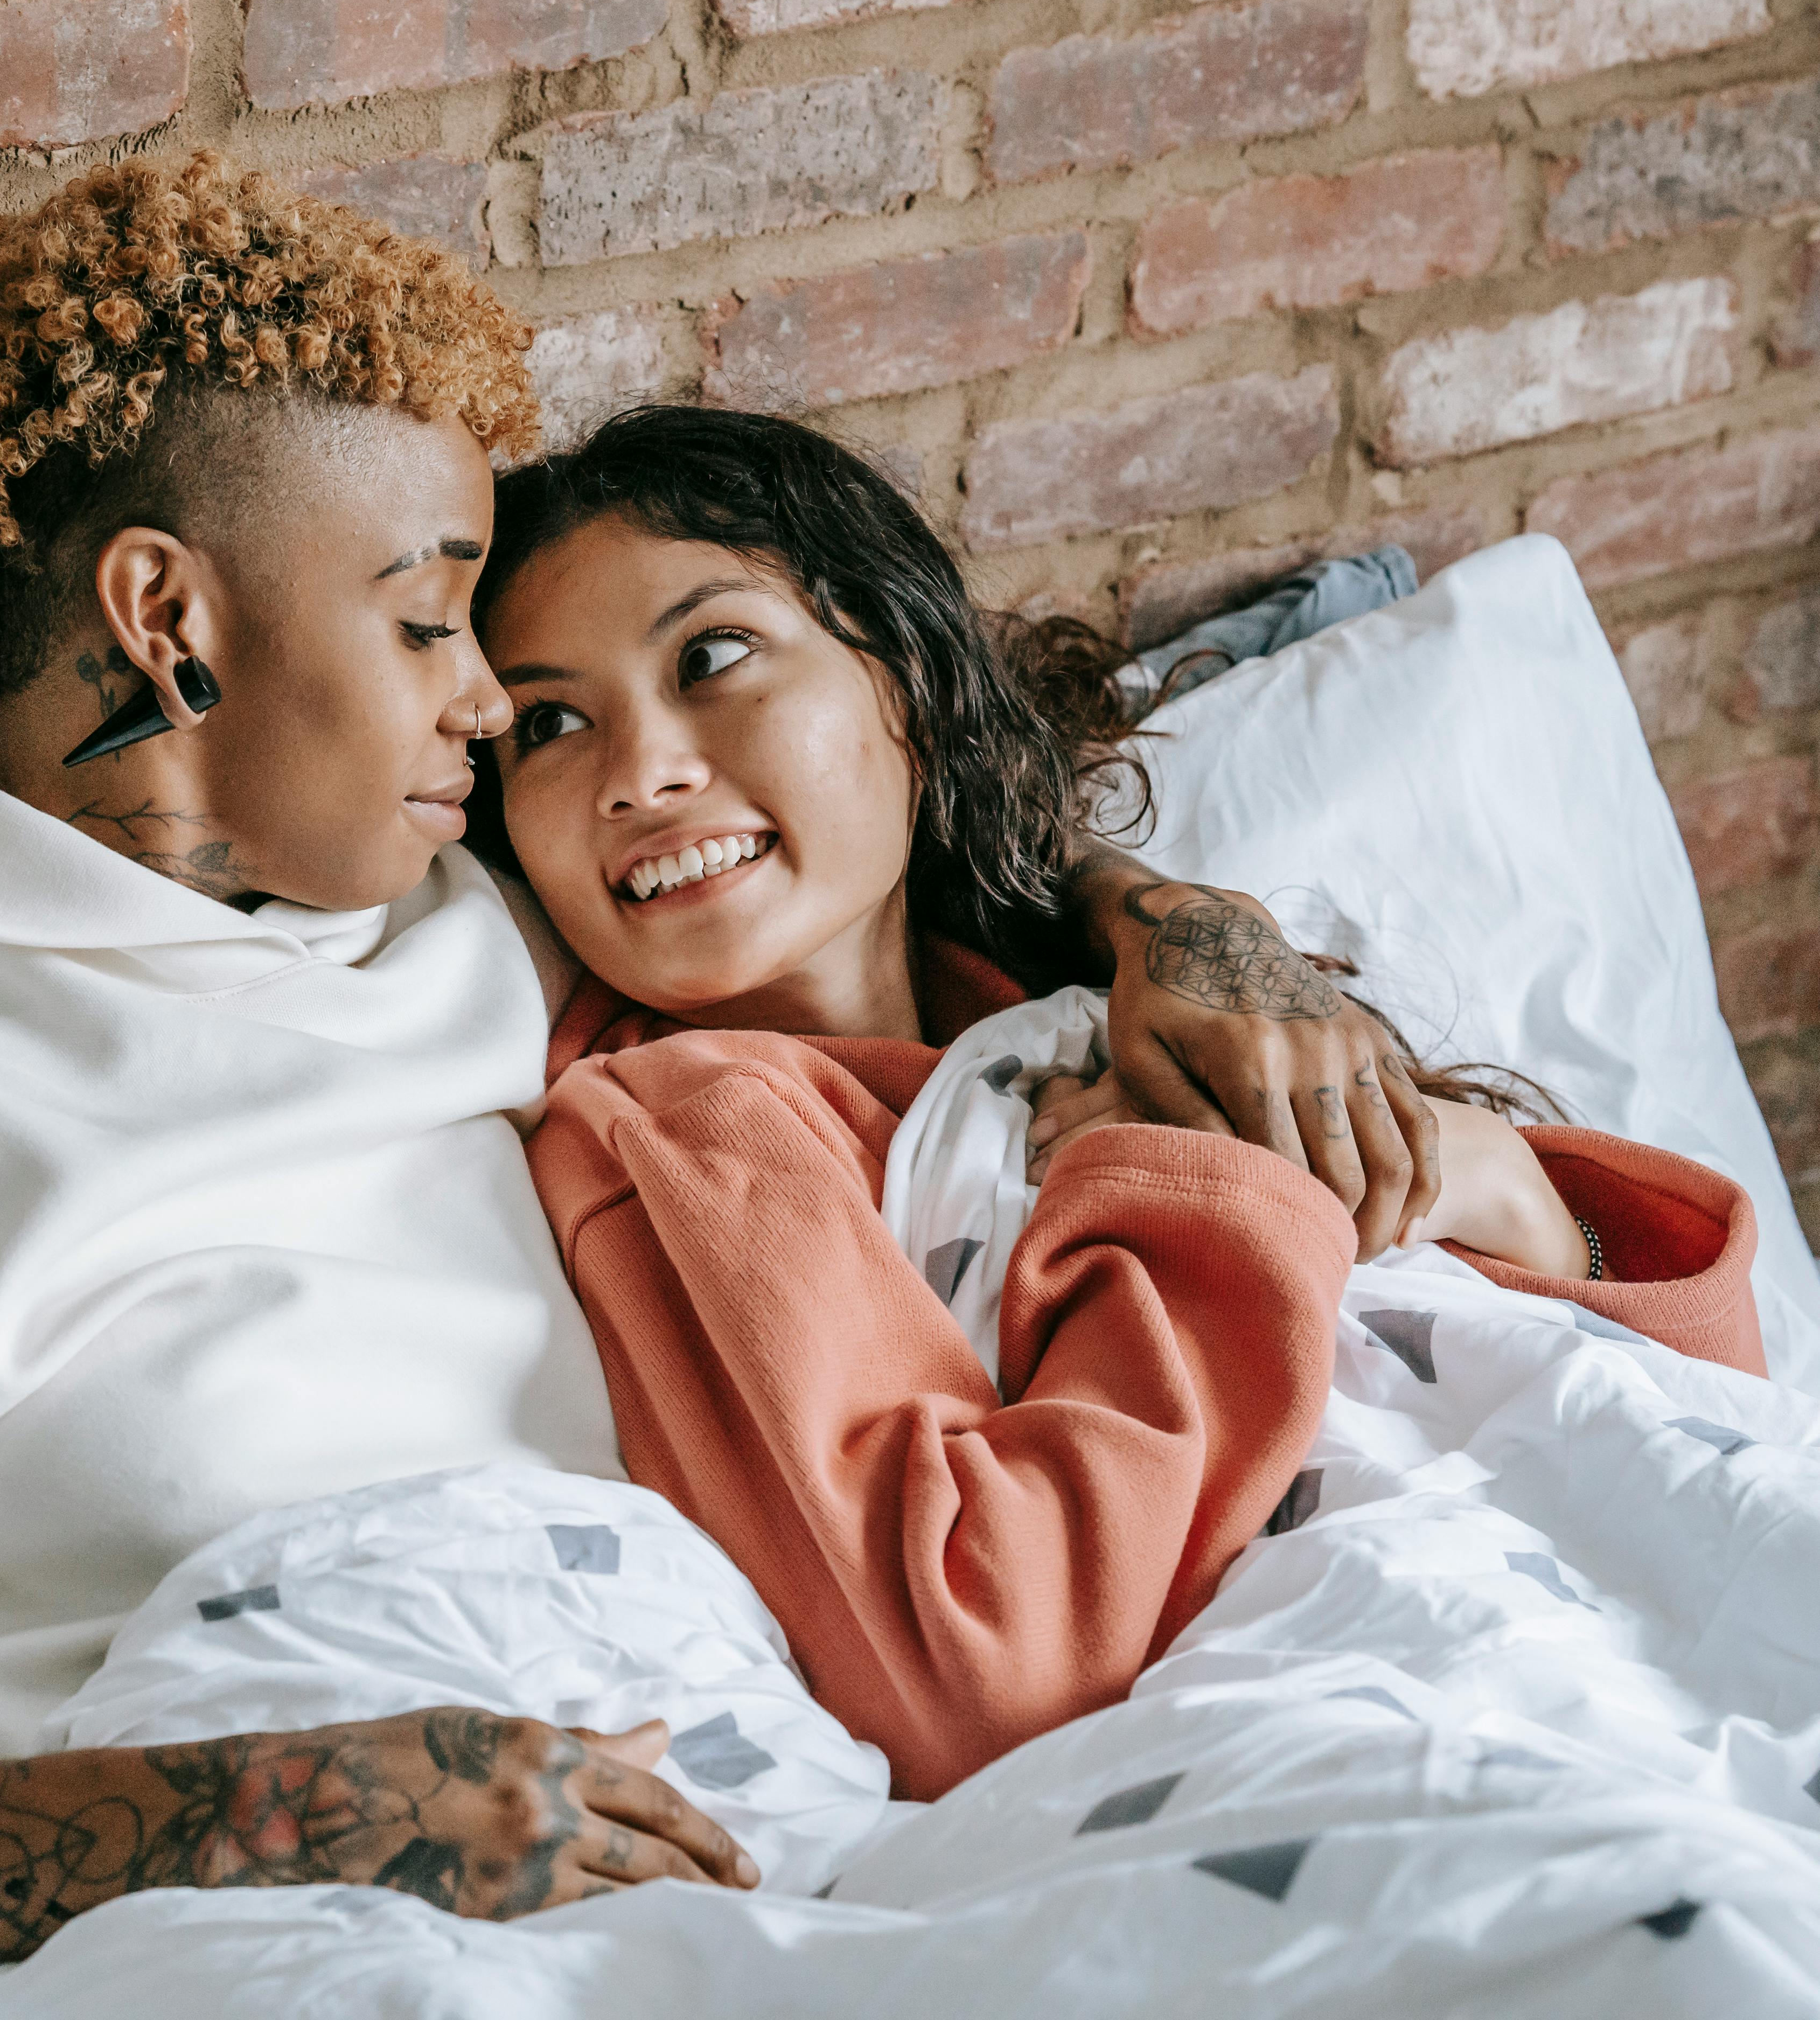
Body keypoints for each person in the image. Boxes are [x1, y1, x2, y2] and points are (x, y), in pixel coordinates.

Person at [0, 154, 1455, 2020]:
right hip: (256, 1887)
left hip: (776, 1822)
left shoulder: (478, 921)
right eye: (439, 622)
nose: (494, 708)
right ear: (164, 622)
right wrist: (264, 1813)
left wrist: (1167, 918)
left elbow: (850, 837)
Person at [477, 405, 1765, 1801]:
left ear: (902, 678)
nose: (642, 773)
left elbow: (1705, 1411)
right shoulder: (688, 1125)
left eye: (710, 656)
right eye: (548, 722)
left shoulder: (1080, 999)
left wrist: (1486, 1183)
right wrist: (1185, 1191)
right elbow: (977, 1663)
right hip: (1359, 1740)